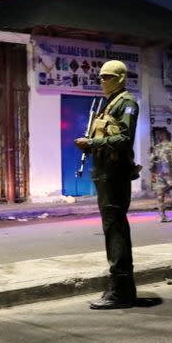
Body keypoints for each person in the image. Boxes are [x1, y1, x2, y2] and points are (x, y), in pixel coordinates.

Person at [75, 60, 139, 310]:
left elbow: (124, 139)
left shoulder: (127, 103)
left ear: (121, 78)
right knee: (112, 228)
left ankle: (122, 290)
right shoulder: (109, 104)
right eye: (101, 77)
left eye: (108, 77)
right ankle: (121, 288)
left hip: (115, 174)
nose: (102, 81)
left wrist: (93, 144)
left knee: (115, 230)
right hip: (104, 173)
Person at [150, 128, 172, 222]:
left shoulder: (156, 147)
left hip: (159, 173)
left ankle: (162, 216)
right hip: (170, 173)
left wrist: (153, 174)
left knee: (160, 195)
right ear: (167, 136)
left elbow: (152, 163)